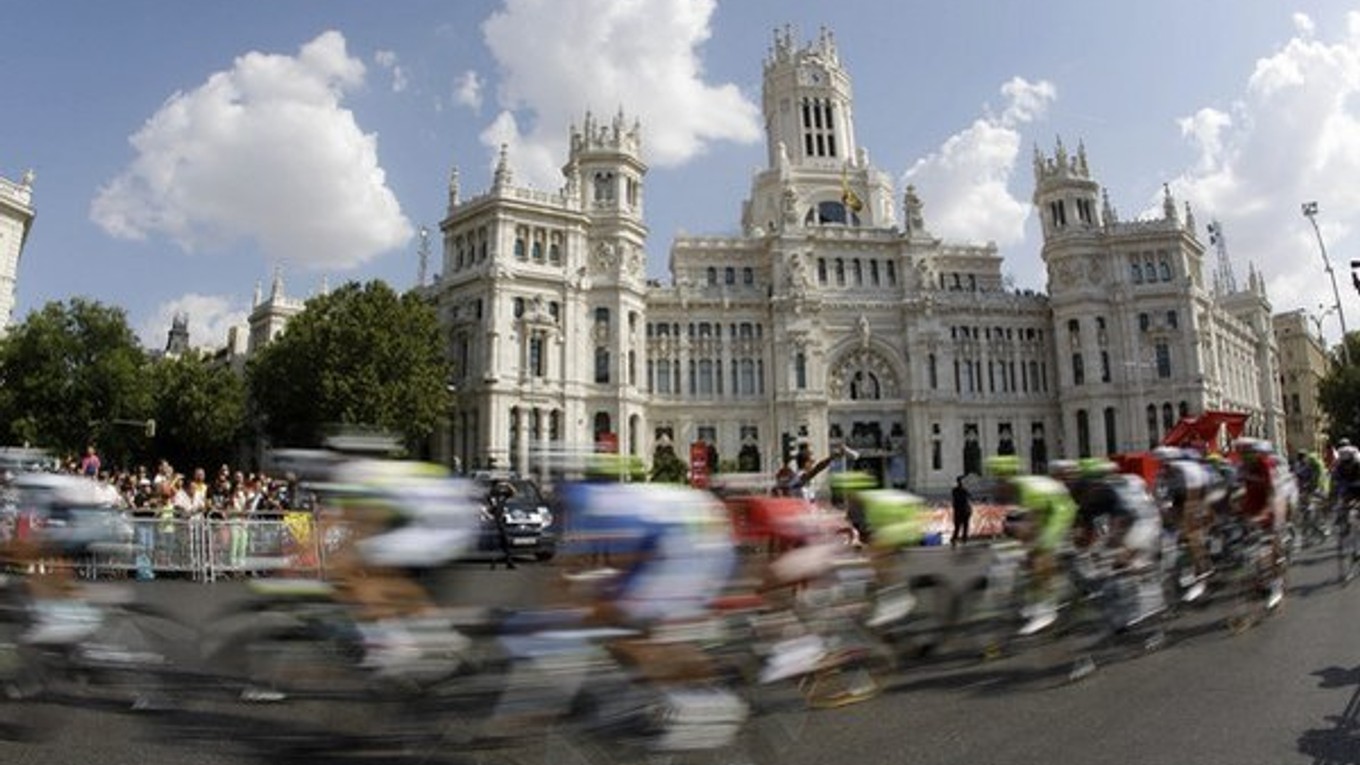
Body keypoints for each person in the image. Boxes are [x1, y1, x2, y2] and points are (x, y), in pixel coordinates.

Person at [985, 454, 1078, 636]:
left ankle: (1046, 612)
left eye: (1000, 478)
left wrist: (1031, 546)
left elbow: (1032, 522)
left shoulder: (1025, 488)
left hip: (1060, 511)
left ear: (1008, 477)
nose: (997, 483)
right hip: (1045, 510)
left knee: (1039, 554)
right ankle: (1034, 596)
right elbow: (1013, 521)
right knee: (1022, 551)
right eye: (996, 478)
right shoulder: (1010, 489)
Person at [1234, 439, 1286, 610]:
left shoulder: (1267, 465)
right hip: (1254, 505)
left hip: (1272, 502)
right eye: (1241, 453)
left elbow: (1273, 494)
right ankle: (1260, 578)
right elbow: (1238, 489)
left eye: (1247, 453)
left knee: (1271, 546)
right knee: (1254, 548)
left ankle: (1276, 587)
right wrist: (1234, 506)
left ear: (1256, 453)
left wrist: (1265, 513)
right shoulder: (1242, 466)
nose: (1244, 457)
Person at [951, 475, 973, 548]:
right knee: (963, 525)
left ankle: (956, 539)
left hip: (959, 510)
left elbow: (968, 497)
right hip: (963, 510)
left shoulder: (955, 490)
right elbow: (970, 496)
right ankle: (962, 539)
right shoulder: (963, 490)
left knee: (959, 526)